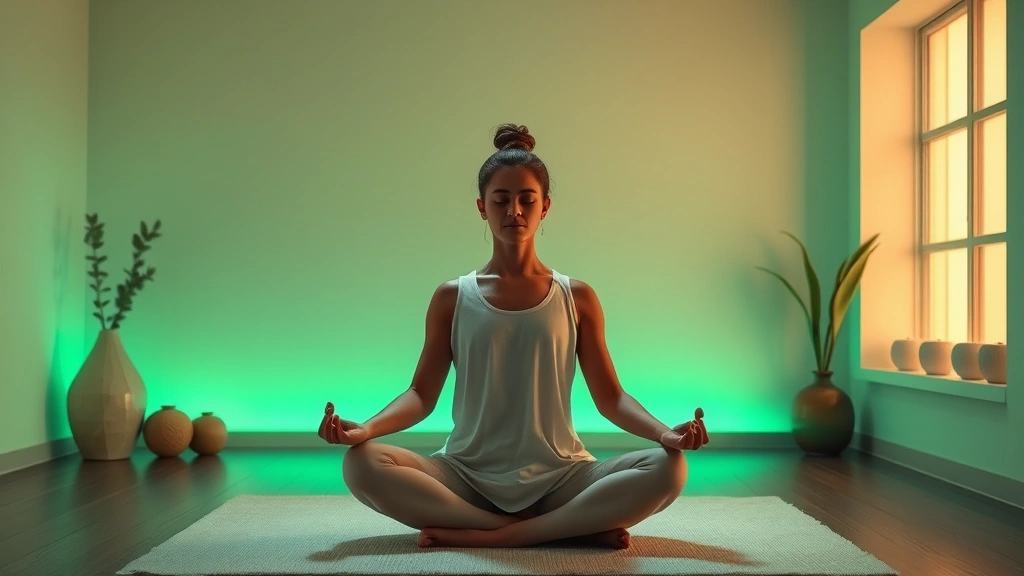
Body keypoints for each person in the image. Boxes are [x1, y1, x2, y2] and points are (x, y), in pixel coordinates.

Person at [318, 123, 710, 549]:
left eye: (527, 200)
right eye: (501, 200)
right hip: (466, 475)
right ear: (482, 207)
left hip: (562, 475)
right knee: (361, 464)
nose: (514, 211)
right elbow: (420, 394)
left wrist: (664, 435)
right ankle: (563, 528)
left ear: (545, 207)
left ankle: (498, 536)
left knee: (670, 468)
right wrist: (366, 430)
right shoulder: (453, 296)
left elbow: (611, 398)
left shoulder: (577, 297)